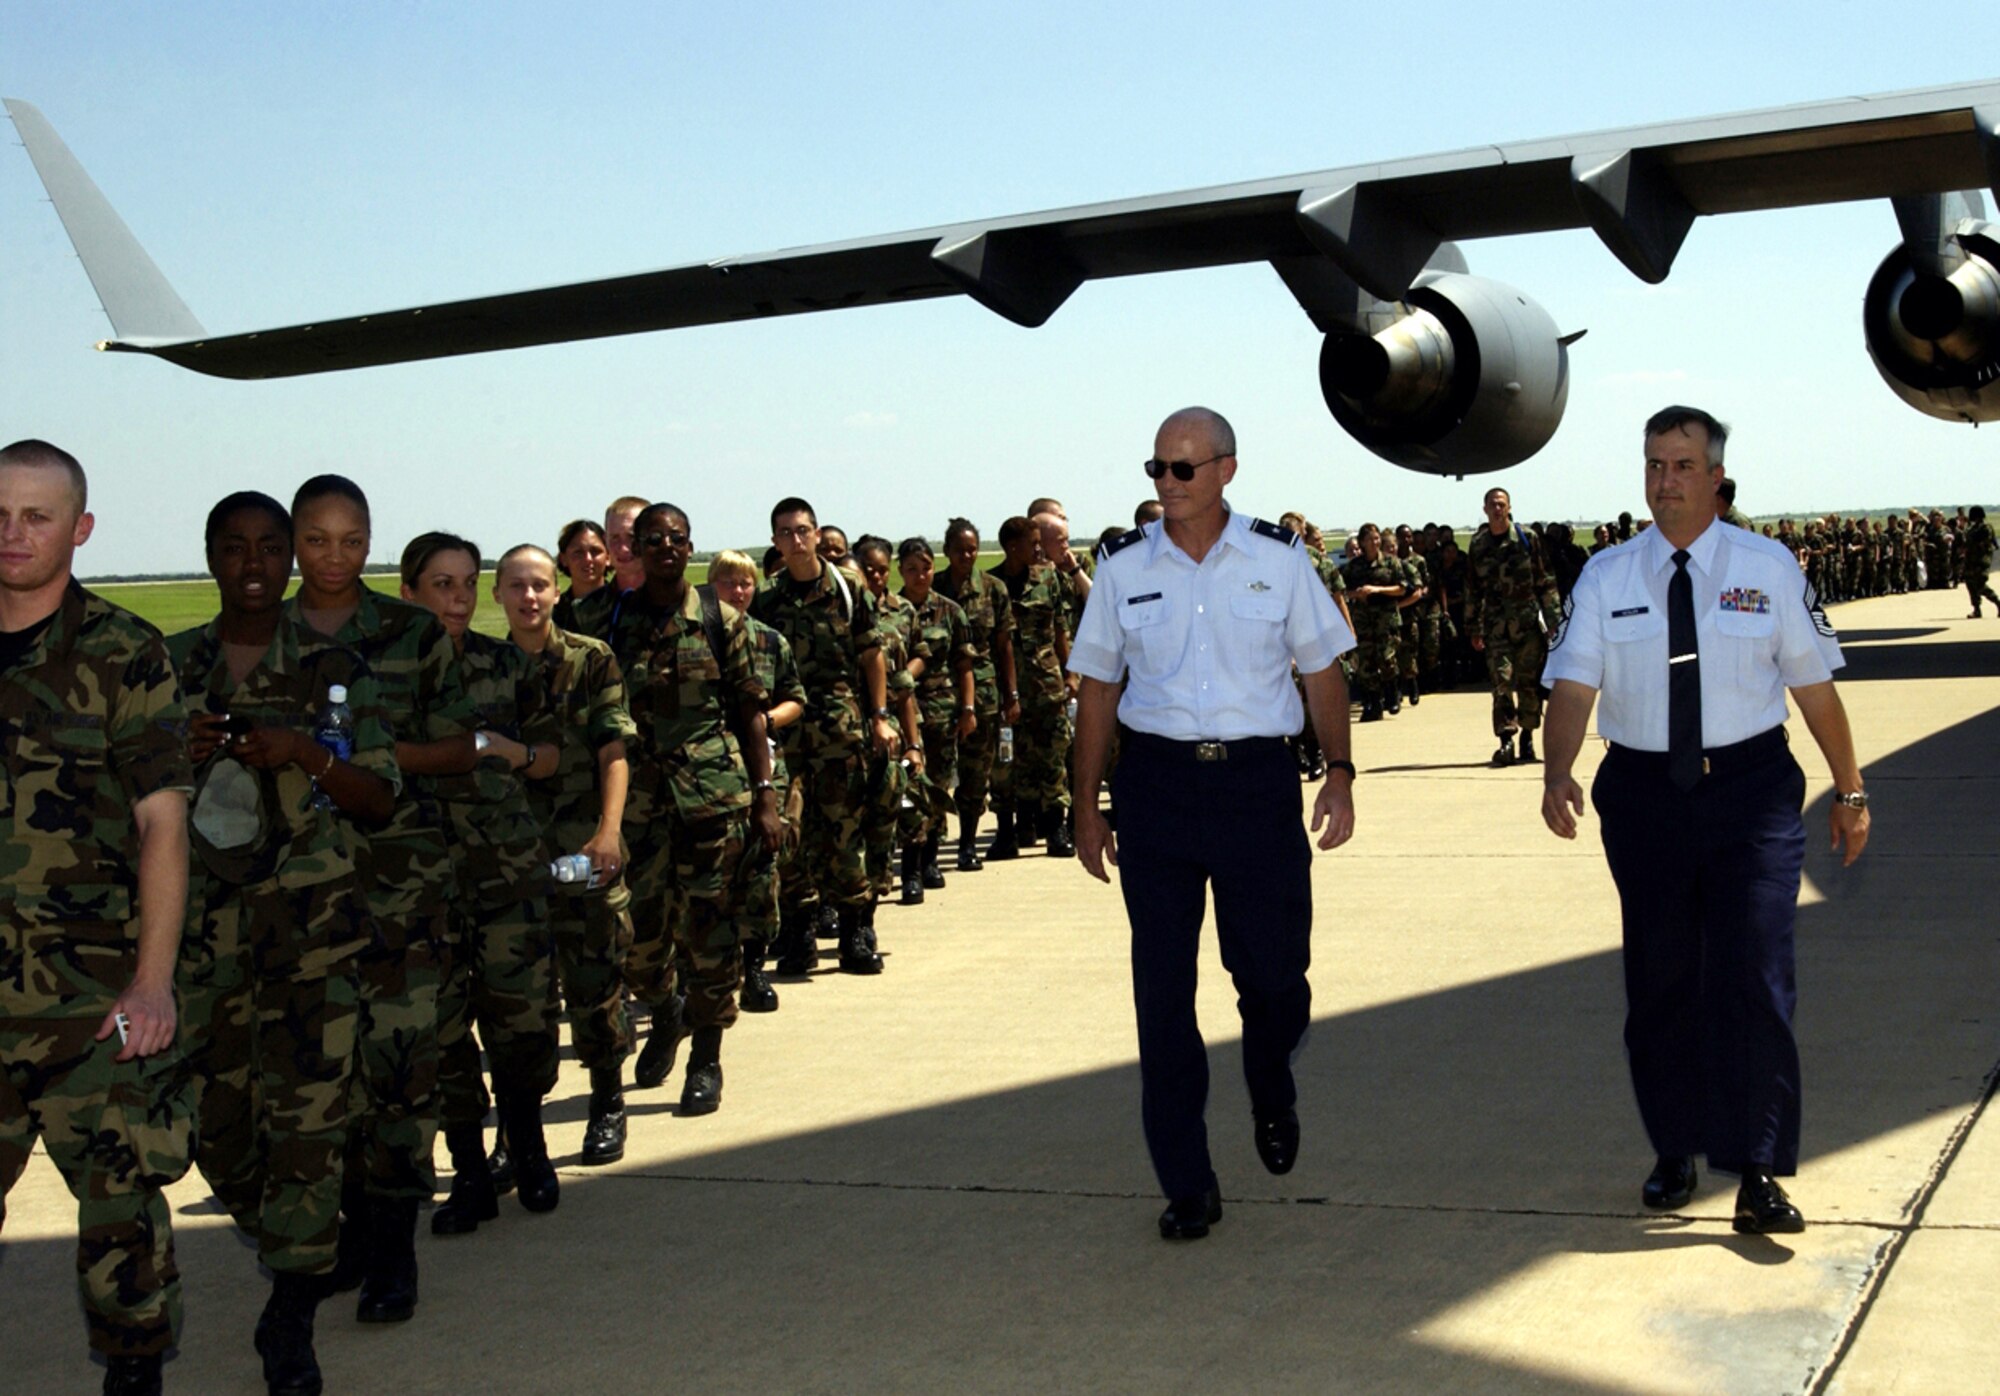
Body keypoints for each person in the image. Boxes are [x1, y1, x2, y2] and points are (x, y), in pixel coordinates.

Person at [1541, 405, 1870, 1235]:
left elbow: (1814, 686)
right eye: (1654, 465)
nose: (1666, 482)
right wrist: (1556, 772)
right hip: (1645, 796)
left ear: (1716, 476)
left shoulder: (1768, 566)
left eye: (1683, 465)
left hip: (1751, 793)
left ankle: (1756, 1167)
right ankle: (1674, 1148)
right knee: (1661, 981)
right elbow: (1573, 686)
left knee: (1754, 970)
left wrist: (1850, 788)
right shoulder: (1607, 576)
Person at [1068, 408, 1357, 1242]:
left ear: (1226, 470)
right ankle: (1187, 1180)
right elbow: (1098, 690)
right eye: (1156, 468)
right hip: (1156, 788)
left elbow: (1321, 671)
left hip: (1255, 786)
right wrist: (1085, 805)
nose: (1166, 483)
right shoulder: (1122, 568)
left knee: (1274, 978)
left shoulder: (1279, 560)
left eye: (1183, 469)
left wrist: (1339, 772)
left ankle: (1270, 1080)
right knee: (1162, 994)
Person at [171, 491, 398, 1395]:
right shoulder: (168, 668)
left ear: (290, 560)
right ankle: (314, 1238)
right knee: (215, 1126)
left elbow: (379, 799)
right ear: (211, 556)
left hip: (312, 935)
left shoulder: (333, 667)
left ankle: (291, 1313)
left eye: (271, 546)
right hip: (202, 938)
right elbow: (117, 799)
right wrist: (176, 753)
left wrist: (306, 752)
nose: (255, 564)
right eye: (235, 547)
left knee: (308, 1123)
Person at [0, 440, 195, 1396]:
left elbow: (164, 823)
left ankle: (134, 1374)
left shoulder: (125, 653)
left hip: (90, 996)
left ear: (79, 530)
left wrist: (152, 981)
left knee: (121, 1223)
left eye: (36, 516)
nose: (12, 533)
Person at [287, 475, 477, 1325]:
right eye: (317, 539)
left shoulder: (410, 633)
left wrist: (366, 760)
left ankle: (394, 1247)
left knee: (400, 1072)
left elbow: (460, 747)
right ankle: (348, 1233)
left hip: (401, 890)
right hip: (294, 899)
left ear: (370, 543)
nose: (335, 556)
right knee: (316, 1079)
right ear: (295, 541)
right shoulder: (261, 638)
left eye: (351, 540)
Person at [401, 533, 563, 1232]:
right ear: (409, 592)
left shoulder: (508, 664)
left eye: (468, 583)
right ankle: (468, 1171)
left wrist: (511, 752)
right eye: (442, 584)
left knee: (522, 1022)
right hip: (421, 877)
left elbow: (553, 755)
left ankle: (527, 1146)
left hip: (506, 872)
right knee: (441, 1031)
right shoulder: (385, 672)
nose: (459, 598)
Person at [611, 504, 783, 1113]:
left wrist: (766, 796)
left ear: (690, 548)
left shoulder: (720, 620)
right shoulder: (611, 621)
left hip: (711, 801)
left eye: (676, 538)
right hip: (638, 808)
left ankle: (706, 1058)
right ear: (635, 548)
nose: (666, 547)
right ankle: (667, 1010)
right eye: (653, 538)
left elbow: (750, 713)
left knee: (712, 937)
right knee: (639, 944)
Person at [496, 545, 639, 1165]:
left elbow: (614, 749)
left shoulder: (590, 659)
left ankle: (607, 1101)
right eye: (516, 586)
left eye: (539, 586)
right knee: (517, 1005)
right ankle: (515, 1131)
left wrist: (609, 831)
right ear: (498, 595)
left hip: (583, 847)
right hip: (512, 858)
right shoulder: (485, 667)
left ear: (557, 592)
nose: (529, 597)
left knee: (595, 986)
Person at [755, 498, 895, 975]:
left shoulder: (847, 589)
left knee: (845, 832)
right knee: (790, 836)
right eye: (785, 533)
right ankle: (800, 934)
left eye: (802, 531)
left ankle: (857, 929)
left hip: (841, 731)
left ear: (816, 535)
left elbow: (872, 655)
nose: (795, 540)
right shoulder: (766, 600)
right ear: (775, 542)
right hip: (788, 735)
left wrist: (879, 716)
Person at [708, 550, 807, 1011]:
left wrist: (765, 720)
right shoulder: (698, 638)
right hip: (710, 772)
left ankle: (754, 967)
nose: (738, 591)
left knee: (763, 867)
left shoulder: (769, 640)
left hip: (763, 766)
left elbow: (795, 699)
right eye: (728, 582)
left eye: (745, 583)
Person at [936, 519, 1018, 872]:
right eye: (959, 550)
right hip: (938, 694)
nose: (966, 556)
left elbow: (1004, 646)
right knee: (938, 774)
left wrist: (1011, 694)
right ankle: (929, 849)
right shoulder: (933, 587)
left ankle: (967, 845)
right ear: (946, 551)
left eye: (972, 550)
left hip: (983, 694)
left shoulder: (993, 589)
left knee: (975, 774)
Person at [896, 538, 977, 892]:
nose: (920, 575)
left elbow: (965, 666)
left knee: (939, 787)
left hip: (941, 711)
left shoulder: (950, 611)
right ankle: (910, 868)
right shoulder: (891, 611)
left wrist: (969, 709)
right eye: (912, 569)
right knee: (911, 788)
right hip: (903, 711)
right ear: (901, 571)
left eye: (926, 568)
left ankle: (930, 859)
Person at [1468, 486, 1561, 766]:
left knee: (1529, 684)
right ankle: (1506, 738)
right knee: (1501, 683)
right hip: (1496, 627)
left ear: (1509, 508)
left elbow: (1545, 581)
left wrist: (1553, 621)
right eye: (1493, 505)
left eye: (1502, 504)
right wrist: (1474, 627)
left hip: (1527, 625)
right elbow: (1473, 589)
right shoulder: (1478, 545)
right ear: (1485, 509)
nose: (1497, 509)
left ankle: (1527, 736)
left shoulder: (1526, 539)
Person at [551, 519, 612, 632]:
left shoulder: (622, 606)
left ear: (608, 557)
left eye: (595, 551)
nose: (588, 559)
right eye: (578, 553)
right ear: (563, 559)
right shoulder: (552, 613)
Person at [1961, 505, 1998, 618]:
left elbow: (1984, 543)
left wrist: (1971, 546)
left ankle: (1997, 602)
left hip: (1981, 560)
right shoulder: (1972, 528)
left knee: (1980, 584)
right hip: (1971, 560)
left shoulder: (1985, 528)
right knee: (1970, 583)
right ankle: (1976, 609)